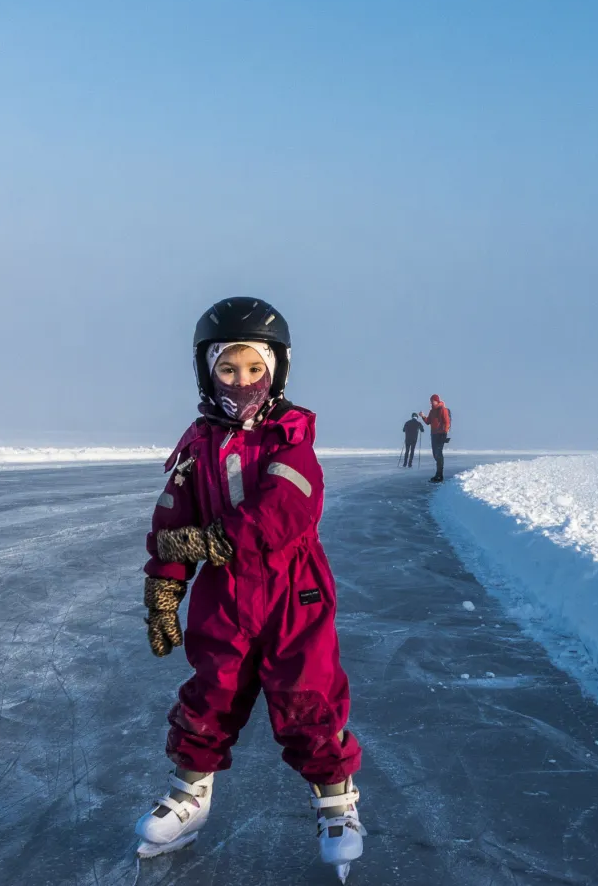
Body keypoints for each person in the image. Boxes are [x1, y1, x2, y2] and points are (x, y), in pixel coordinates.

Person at [136, 297, 363, 878]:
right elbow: (171, 523)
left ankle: (337, 800)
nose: (242, 382)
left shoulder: (290, 438)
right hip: (225, 599)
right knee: (211, 691)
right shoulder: (198, 446)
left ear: (277, 371)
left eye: (254, 368)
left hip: (294, 594)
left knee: (306, 695)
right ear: (206, 370)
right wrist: (165, 591)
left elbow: (286, 509)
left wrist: (212, 542)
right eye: (228, 368)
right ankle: (191, 794)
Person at [421, 395, 451, 482]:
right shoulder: (432, 411)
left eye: (433, 401)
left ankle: (439, 475)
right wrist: (423, 416)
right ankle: (438, 474)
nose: (431, 402)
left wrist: (444, 433)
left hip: (440, 434)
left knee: (438, 454)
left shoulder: (443, 409)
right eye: (431, 401)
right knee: (435, 454)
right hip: (433, 434)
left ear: (437, 401)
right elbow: (428, 422)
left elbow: (447, 422)